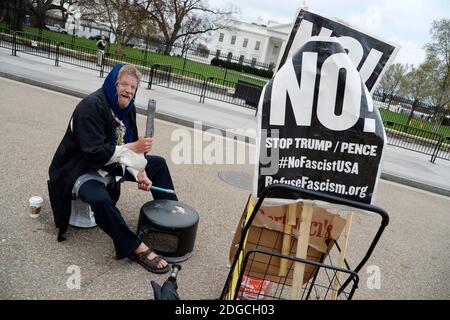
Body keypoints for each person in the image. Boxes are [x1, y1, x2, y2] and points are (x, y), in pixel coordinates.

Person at [48, 63, 178, 274]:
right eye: (124, 84)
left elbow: (132, 150)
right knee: (100, 199)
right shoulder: (91, 105)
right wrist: (133, 148)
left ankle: (172, 221)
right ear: (113, 84)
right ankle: (134, 247)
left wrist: (141, 173)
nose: (128, 90)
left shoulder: (128, 108)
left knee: (158, 164)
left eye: (133, 87)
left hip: (110, 162)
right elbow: (94, 152)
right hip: (79, 168)